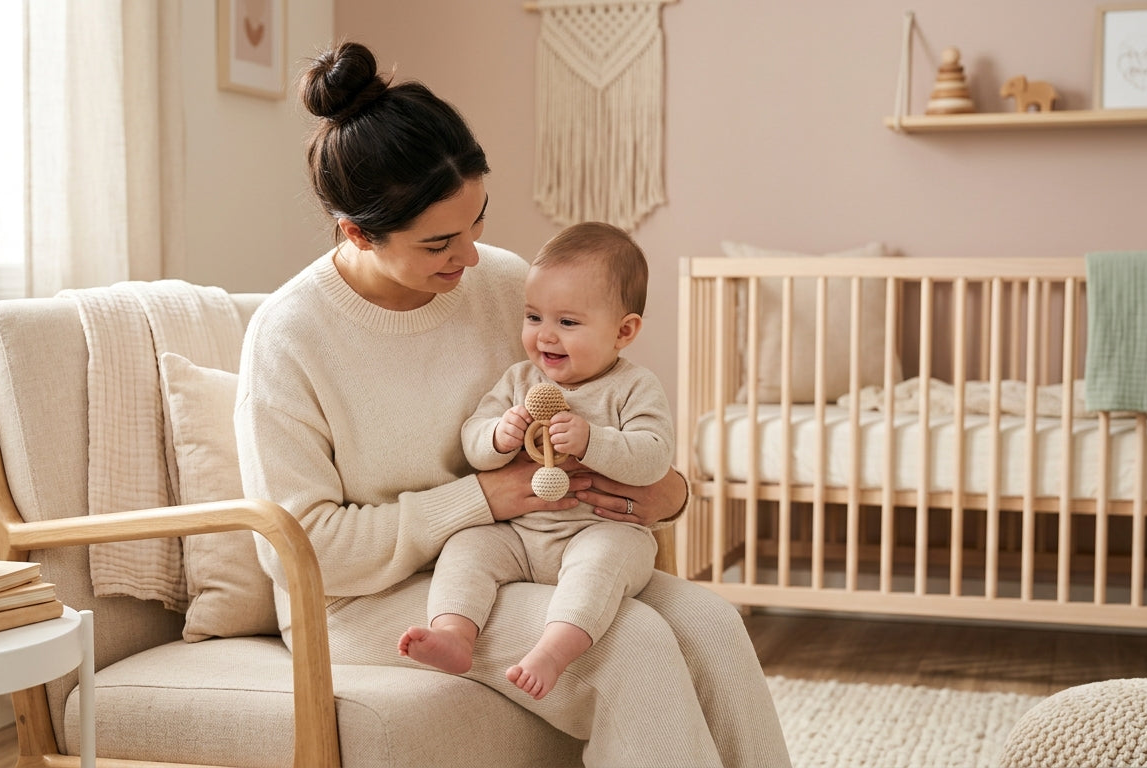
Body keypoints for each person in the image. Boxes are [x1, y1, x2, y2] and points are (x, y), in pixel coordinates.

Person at [234, 40, 791, 767]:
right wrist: (483, 500)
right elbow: (304, 549)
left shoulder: (499, 284)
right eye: (440, 242)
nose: (469, 258)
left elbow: (608, 394)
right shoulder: (290, 337)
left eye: (478, 222)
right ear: (358, 233)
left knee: (713, 623)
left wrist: (666, 495)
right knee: (631, 646)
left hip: (536, 553)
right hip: (362, 602)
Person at [399, 222, 672, 701]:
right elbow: (473, 441)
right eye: (533, 317)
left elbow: (653, 457)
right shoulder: (519, 380)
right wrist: (500, 436)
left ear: (624, 331)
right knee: (467, 546)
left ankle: (553, 651)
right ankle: (455, 635)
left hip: (596, 530)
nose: (545, 336)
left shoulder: (634, 387)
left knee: (603, 561)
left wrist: (593, 441)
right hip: (520, 535)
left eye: (568, 323)